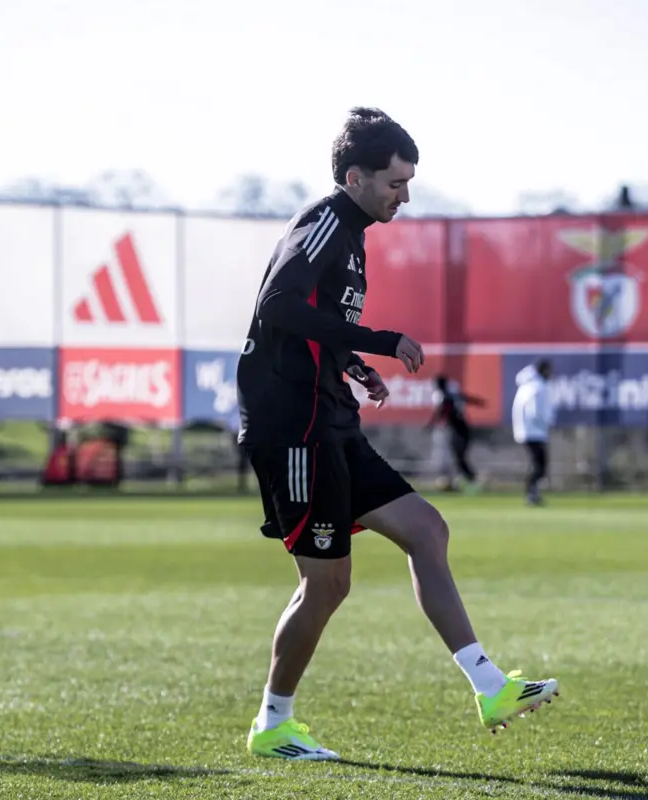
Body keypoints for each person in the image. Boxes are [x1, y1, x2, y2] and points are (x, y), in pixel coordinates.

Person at [235, 107, 559, 762]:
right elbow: (276, 307)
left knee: (427, 528)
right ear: (354, 177)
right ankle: (273, 724)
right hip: (293, 429)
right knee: (326, 584)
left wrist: (351, 364)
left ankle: (490, 687)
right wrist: (379, 341)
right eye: (394, 183)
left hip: (330, 417)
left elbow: (310, 322)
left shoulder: (352, 235)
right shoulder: (325, 222)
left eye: (408, 182)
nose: (404, 195)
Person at [427, 374, 486, 491]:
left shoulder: (447, 397)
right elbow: (466, 399)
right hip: (457, 430)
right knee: (457, 456)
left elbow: (441, 411)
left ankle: (472, 481)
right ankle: (467, 480)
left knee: (459, 456)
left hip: (460, 430)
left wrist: (431, 424)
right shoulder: (451, 396)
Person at [512, 359, 555, 505]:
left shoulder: (527, 386)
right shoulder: (537, 387)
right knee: (540, 465)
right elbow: (534, 411)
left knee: (537, 464)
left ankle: (532, 492)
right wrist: (545, 424)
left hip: (527, 431)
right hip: (534, 432)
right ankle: (531, 493)